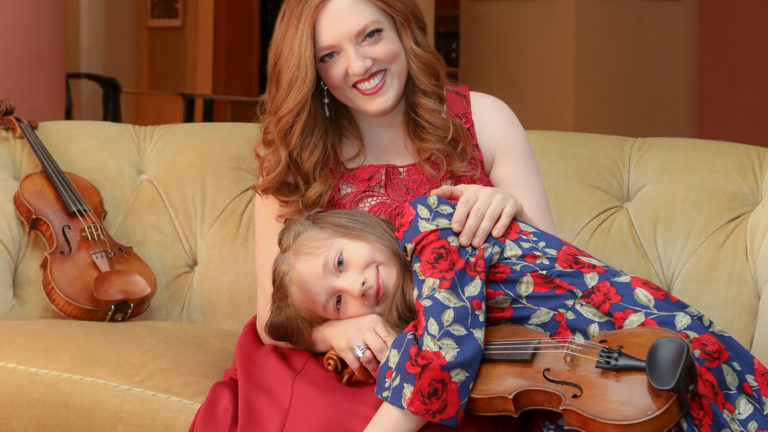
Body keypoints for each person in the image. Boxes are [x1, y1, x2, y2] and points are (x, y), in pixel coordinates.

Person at [265, 195, 768, 432]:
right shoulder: (411, 316)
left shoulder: (428, 226)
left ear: (359, 227)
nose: (355, 284)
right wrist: (328, 333)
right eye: (337, 301)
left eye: (340, 261)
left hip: (636, 337)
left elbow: (446, 355)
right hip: (593, 385)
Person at [252, 0, 556, 377]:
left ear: (403, 28)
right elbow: (271, 322)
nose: (360, 66)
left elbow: (553, 279)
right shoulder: (295, 159)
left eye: (372, 35)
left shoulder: (486, 119)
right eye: (330, 54)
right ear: (312, 71)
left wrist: (512, 209)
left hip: (476, 372)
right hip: (354, 372)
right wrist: (335, 331)